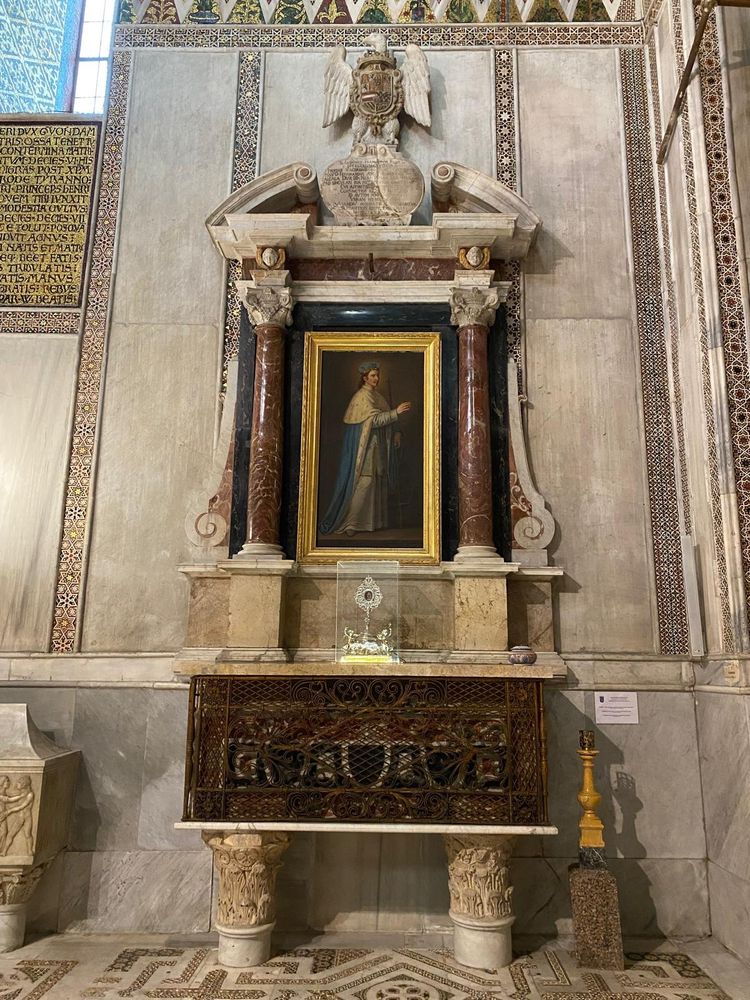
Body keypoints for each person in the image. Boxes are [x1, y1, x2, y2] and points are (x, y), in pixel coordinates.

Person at [319, 361, 411, 536]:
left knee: (376, 482)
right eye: (373, 376)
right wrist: (396, 412)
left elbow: (387, 417)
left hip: (379, 447)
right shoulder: (361, 397)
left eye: (377, 375)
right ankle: (351, 523)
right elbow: (375, 420)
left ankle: (371, 523)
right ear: (364, 378)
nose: (377, 378)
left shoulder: (377, 396)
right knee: (365, 483)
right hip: (366, 448)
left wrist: (397, 431)